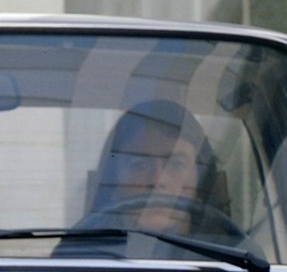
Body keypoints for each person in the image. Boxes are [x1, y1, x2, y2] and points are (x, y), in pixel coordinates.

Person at [84, 99, 232, 235]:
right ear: (114, 183)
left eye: (176, 165)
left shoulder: (235, 253)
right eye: (140, 165)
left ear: (201, 184)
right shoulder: (82, 250)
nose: (158, 180)